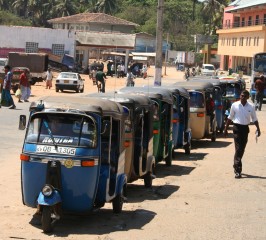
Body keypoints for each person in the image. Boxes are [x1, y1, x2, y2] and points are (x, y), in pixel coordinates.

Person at [224, 90, 261, 179]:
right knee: (238, 148)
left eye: (244, 96)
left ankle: (236, 164)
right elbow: (230, 117)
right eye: (241, 95)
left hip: (245, 129)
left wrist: (258, 129)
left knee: (242, 149)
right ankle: (238, 170)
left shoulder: (251, 107)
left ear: (248, 97)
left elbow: (254, 119)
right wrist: (225, 129)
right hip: (236, 128)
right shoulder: (235, 105)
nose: (242, 97)